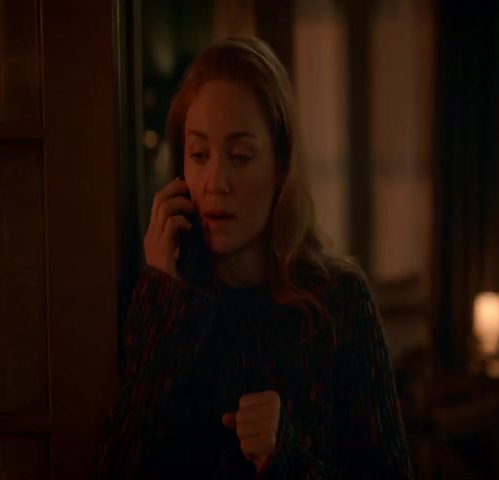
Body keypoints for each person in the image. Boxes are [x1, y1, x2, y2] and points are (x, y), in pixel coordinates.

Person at [95, 36, 414, 479]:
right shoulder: (163, 302)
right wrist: (163, 297)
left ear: (281, 166)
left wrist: (286, 457)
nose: (216, 182)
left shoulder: (339, 301)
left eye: (240, 157)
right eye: (199, 155)